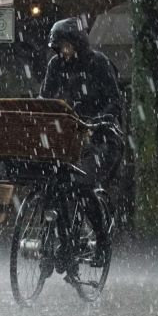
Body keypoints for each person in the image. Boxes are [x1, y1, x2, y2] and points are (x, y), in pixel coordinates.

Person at [40, 17, 123, 266]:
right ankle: (62, 238)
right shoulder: (56, 65)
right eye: (59, 48)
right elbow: (46, 98)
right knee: (52, 182)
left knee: (82, 185)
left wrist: (96, 122)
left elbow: (114, 102)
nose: (63, 53)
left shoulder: (99, 63)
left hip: (101, 138)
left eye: (65, 46)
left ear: (78, 43)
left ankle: (102, 242)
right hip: (69, 137)